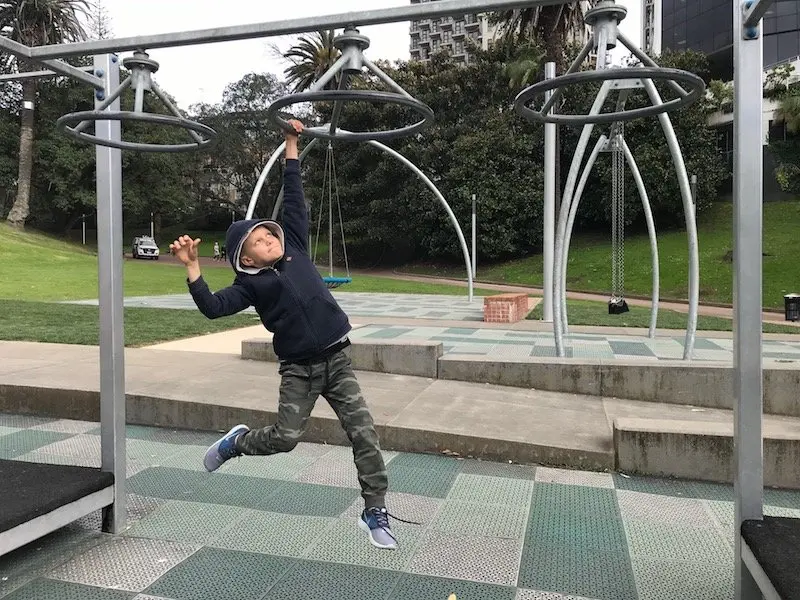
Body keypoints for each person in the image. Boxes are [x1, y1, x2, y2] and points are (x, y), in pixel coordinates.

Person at [169, 119, 397, 550]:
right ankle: (237, 442)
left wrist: (292, 144)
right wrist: (193, 269)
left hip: (337, 360)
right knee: (286, 439)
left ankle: (374, 509)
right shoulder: (249, 286)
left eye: (267, 234)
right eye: (256, 241)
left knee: (364, 432)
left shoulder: (295, 245)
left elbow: (294, 198)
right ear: (245, 256)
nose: (267, 240)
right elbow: (213, 309)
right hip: (299, 370)